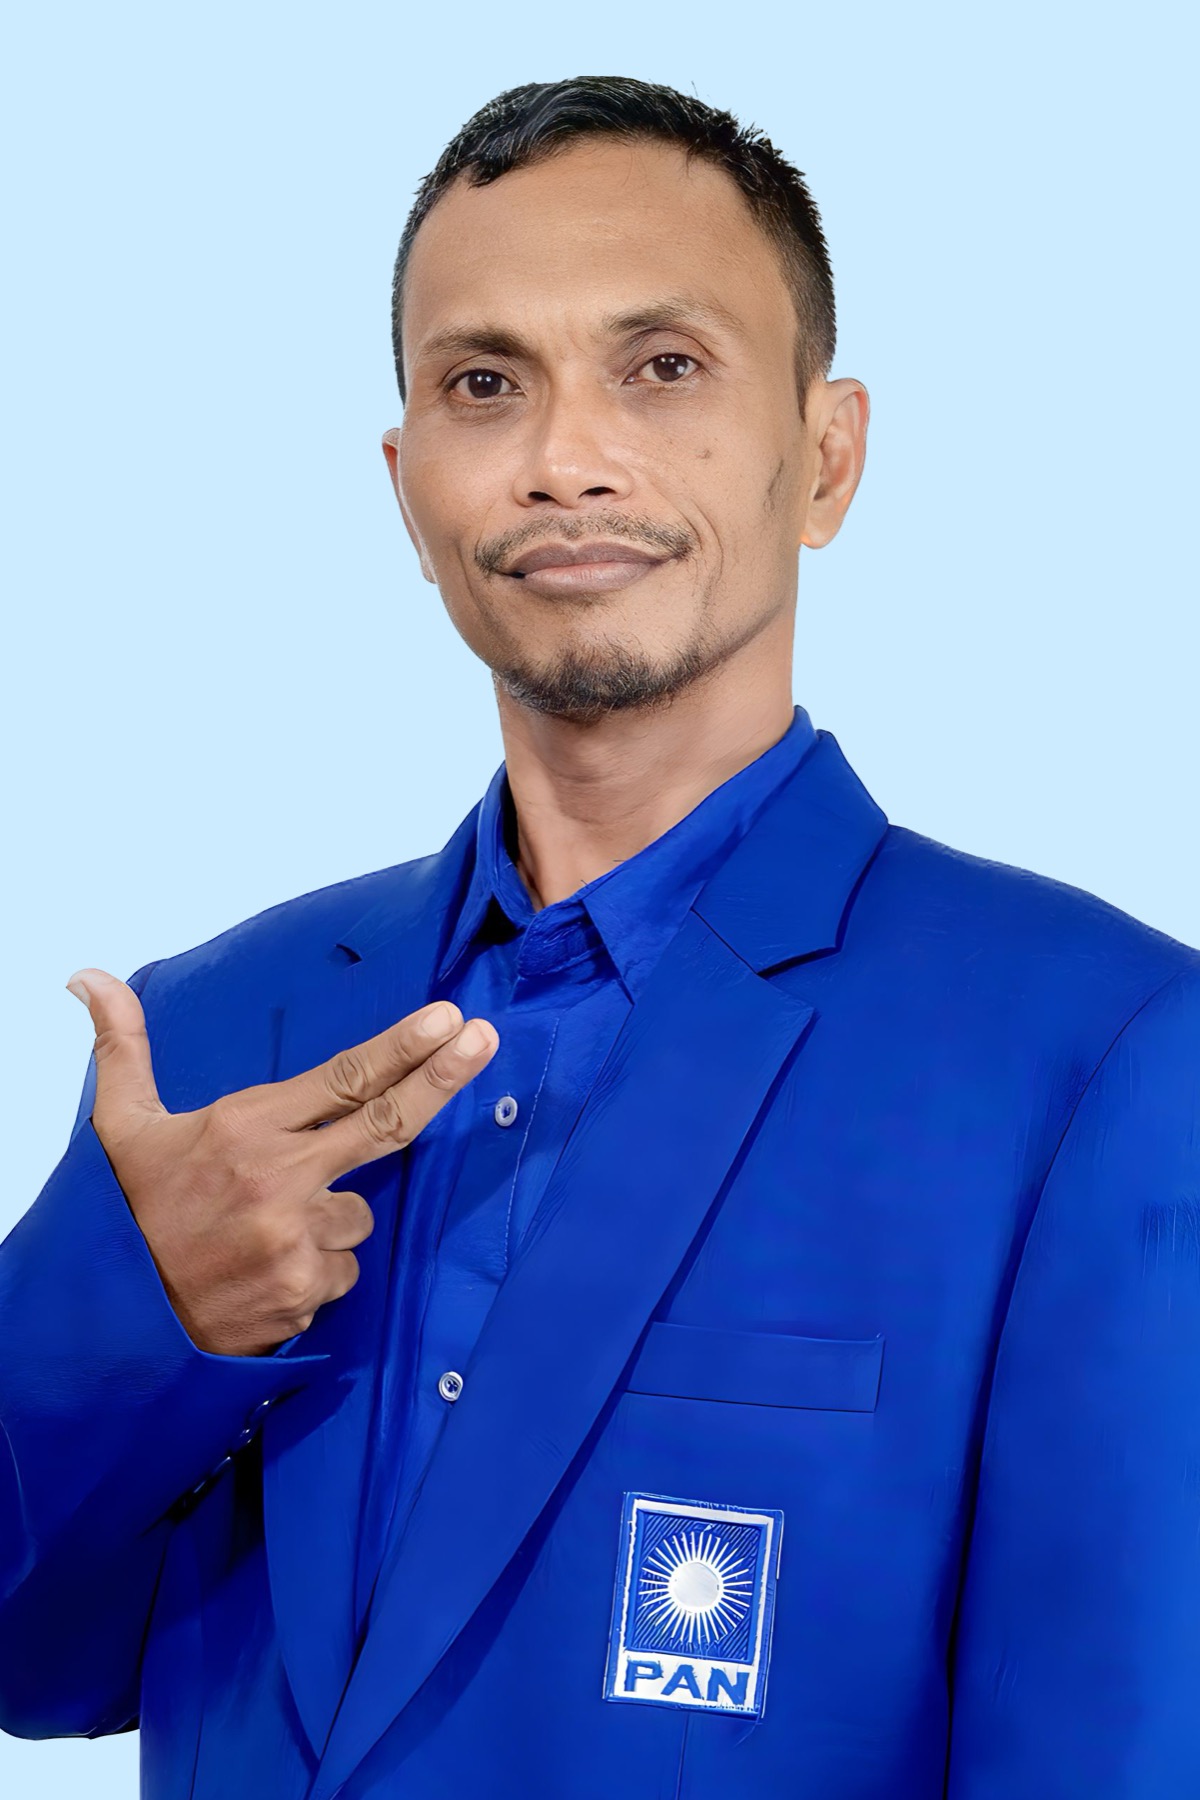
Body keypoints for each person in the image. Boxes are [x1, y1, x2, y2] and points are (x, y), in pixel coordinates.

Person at [2, 73, 1198, 1800]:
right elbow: (33, 1659)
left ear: (828, 455)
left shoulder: (1099, 1057)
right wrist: (140, 1314)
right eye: (485, 384)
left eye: (665, 366)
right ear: (406, 484)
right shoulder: (209, 1033)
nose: (565, 458)